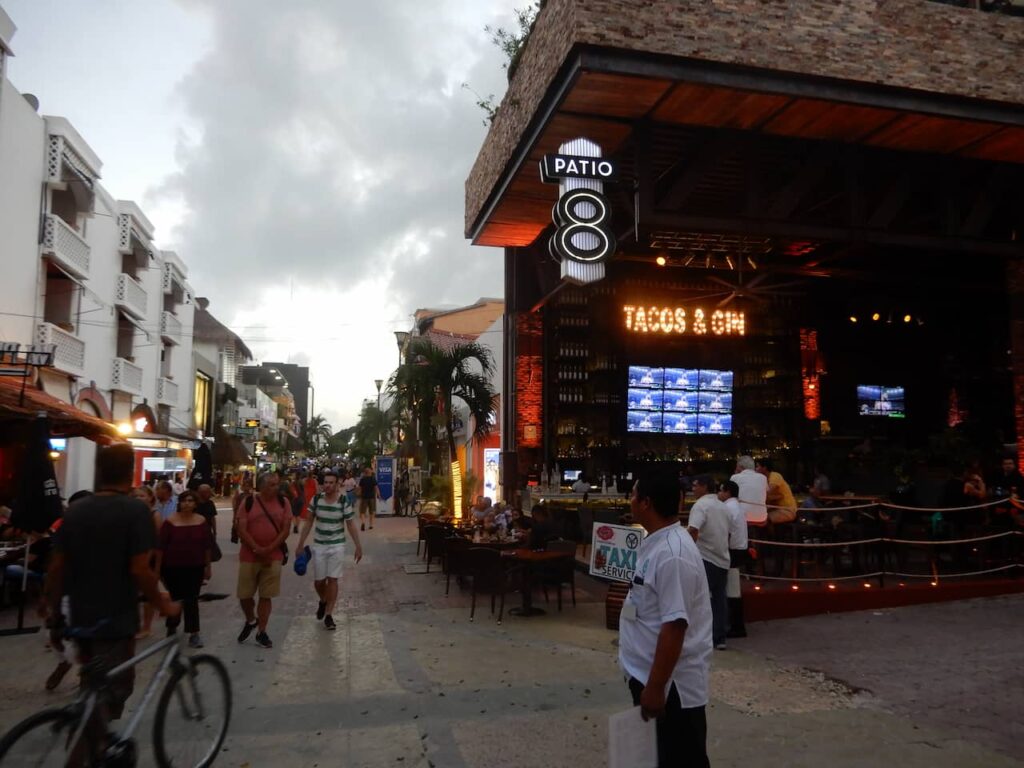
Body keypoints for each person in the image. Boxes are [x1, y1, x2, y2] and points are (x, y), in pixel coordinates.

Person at [45, 444, 179, 734]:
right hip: (115, 617)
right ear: (131, 470)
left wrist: (52, 611)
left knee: (91, 682)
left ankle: (89, 737)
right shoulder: (136, 511)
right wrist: (163, 605)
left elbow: (56, 568)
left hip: (77, 613)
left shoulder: (76, 511)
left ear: (98, 470)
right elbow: (140, 569)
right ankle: (88, 749)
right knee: (112, 690)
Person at [619, 471, 712, 767]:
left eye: (633, 494)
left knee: (680, 757)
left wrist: (656, 687)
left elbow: (675, 625)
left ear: (646, 503)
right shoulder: (656, 543)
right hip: (648, 678)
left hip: (672, 690)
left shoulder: (674, 554)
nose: (630, 500)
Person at [294, 470, 363, 631]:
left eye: (331, 482)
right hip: (319, 545)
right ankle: (323, 600)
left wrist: (358, 546)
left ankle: (329, 615)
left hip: (337, 545)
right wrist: (300, 543)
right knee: (319, 581)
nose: (328, 485)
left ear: (337, 484)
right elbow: (309, 522)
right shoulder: (316, 500)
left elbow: (351, 525)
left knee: (333, 579)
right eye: (326, 482)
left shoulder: (343, 501)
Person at [235, 472, 290, 648]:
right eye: (272, 485)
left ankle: (262, 631)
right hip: (249, 556)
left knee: (266, 596)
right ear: (263, 486)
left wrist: (269, 549)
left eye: (277, 484)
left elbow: (285, 530)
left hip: (273, 557)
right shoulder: (249, 502)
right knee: (244, 595)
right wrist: (257, 549)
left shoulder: (283, 502)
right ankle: (251, 620)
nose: (277, 488)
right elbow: (241, 528)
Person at [155, 490, 213, 648]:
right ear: (179, 503)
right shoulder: (170, 522)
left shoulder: (201, 521)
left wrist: (208, 567)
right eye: (184, 500)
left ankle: (194, 633)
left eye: (190, 501)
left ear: (195, 504)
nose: (187, 503)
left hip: (195, 567)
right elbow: (160, 547)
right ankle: (172, 628)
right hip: (172, 567)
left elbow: (207, 546)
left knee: (192, 600)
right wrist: (157, 569)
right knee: (175, 598)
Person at [686, 476, 731, 650]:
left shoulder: (700, 506)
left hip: (704, 557)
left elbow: (693, 531)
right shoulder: (723, 507)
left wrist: (685, 548)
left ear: (704, 487)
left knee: (698, 599)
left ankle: (697, 636)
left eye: (695, 484)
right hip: (722, 558)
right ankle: (719, 638)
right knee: (720, 599)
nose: (693, 488)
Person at [131, 485, 165, 640]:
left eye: (142, 496)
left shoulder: (154, 514)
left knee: (147, 595)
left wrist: (157, 566)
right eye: (136, 496)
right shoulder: (132, 514)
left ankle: (146, 627)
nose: (138, 499)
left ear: (151, 497)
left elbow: (158, 543)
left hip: (148, 558)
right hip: (134, 557)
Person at [717, 479, 749, 639]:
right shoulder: (738, 507)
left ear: (727, 491)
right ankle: (736, 625)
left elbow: (726, 532)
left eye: (721, 490)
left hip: (732, 551)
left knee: (730, 590)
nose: (718, 493)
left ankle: (735, 626)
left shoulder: (727, 508)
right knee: (733, 588)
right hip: (740, 550)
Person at [756, 458, 798, 524]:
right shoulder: (765, 480)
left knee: (762, 519)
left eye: (757, 466)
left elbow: (768, 492)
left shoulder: (775, 476)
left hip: (787, 510)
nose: (756, 469)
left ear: (764, 468)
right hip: (776, 509)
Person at [730, 455, 767, 525]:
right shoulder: (763, 478)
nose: (736, 468)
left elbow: (730, 495)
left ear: (741, 467)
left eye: (736, 466)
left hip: (742, 517)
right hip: (761, 517)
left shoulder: (735, 477)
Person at [231, 475, 254, 544]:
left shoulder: (252, 495)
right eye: (245, 486)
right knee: (242, 531)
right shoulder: (240, 495)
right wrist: (234, 517)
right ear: (243, 487)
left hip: (250, 517)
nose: (247, 488)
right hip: (241, 516)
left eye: (248, 486)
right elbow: (235, 507)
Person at [358, 467, 380, 531]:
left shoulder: (362, 479)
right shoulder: (373, 479)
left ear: (365, 473)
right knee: (372, 511)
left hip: (364, 497)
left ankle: (363, 522)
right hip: (372, 497)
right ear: (370, 472)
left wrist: (358, 494)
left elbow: (360, 489)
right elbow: (376, 487)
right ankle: (371, 525)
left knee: (362, 512)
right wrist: (378, 494)